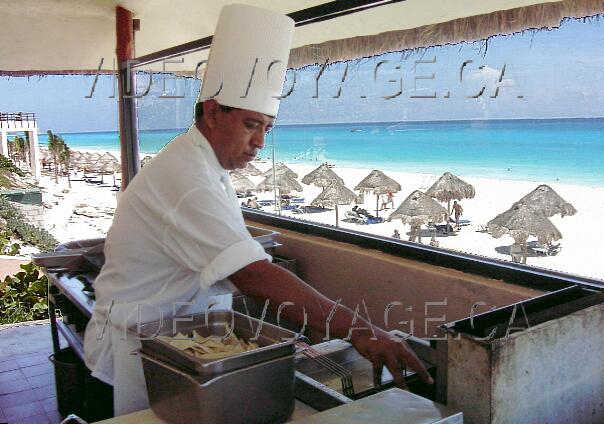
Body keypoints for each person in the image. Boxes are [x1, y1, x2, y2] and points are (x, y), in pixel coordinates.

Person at [84, 5, 430, 416]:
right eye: (251, 124)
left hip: (184, 337)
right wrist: (361, 330)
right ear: (213, 113)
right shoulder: (187, 177)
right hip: (148, 348)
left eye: (267, 128)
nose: (260, 142)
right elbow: (252, 274)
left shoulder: (204, 164)